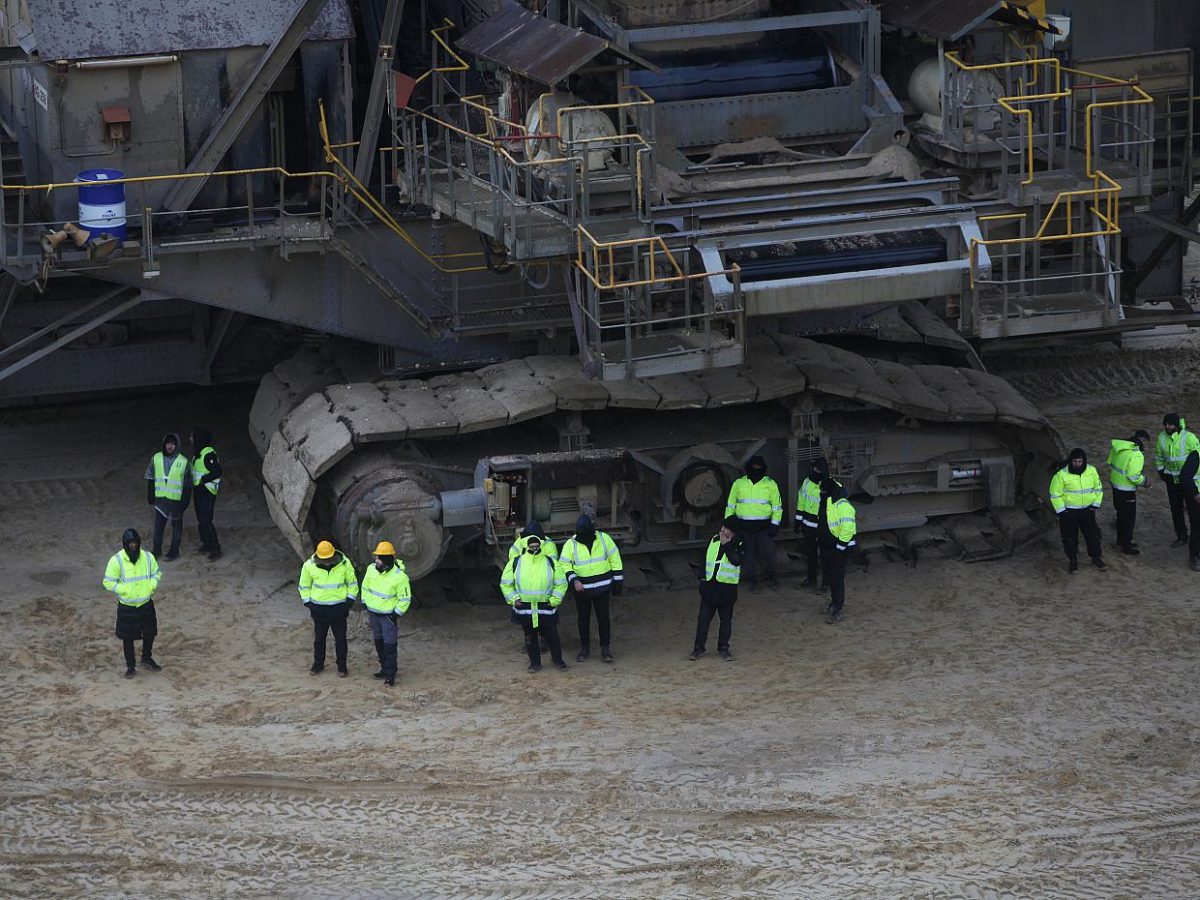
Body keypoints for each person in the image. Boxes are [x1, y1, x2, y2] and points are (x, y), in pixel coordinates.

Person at [500, 534, 568, 673]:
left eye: (537, 546)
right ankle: (534, 663)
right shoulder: (516, 562)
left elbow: (561, 583)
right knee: (530, 637)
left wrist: (554, 600)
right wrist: (514, 599)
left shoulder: (550, 562)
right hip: (525, 609)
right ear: (526, 546)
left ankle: (558, 660)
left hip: (546, 608)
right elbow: (506, 584)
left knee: (552, 636)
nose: (534, 549)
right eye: (532, 547)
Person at [560, 514, 623, 663]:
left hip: (602, 588)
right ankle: (585, 648)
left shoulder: (604, 539)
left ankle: (605, 650)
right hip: (582, 591)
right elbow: (564, 564)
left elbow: (615, 559)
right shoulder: (571, 544)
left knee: (603, 619)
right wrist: (574, 580)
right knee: (583, 619)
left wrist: (618, 581)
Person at [102, 528, 163, 678]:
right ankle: (130, 666)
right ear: (125, 544)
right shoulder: (116, 561)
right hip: (127, 606)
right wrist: (124, 590)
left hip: (145, 603)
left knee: (150, 633)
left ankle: (146, 658)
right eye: (131, 544)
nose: (133, 546)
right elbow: (108, 582)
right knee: (127, 637)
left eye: (135, 543)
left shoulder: (148, 557)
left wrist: (151, 586)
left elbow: (157, 573)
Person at [298, 540, 358, 676]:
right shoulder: (309, 566)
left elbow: (352, 584)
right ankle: (318, 664)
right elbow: (304, 586)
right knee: (319, 639)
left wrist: (348, 602)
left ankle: (342, 667)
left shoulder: (344, 564)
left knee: (341, 639)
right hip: (319, 610)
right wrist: (309, 604)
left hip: (339, 609)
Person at [723, 455, 783, 591]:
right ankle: (753, 581)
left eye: (759, 469)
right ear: (748, 469)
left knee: (768, 555)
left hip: (764, 528)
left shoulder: (770, 484)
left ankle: (772, 577)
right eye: (753, 468)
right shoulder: (739, 484)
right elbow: (730, 505)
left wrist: (775, 525)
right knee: (747, 557)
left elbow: (777, 507)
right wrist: (729, 523)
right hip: (743, 528)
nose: (756, 471)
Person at [690, 517, 744, 661]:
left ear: (733, 532)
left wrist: (727, 545)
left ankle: (724, 648)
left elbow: (736, 560)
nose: (722, 530)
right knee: (703, 620)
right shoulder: (713, 540)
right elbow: (705, 560)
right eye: (722, 527)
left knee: (725, 621)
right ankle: (698, 648)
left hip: (727, 590)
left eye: (726, 529)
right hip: (710, 588)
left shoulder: (739, 543)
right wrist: (702, 580)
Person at [360, 540, 411, 687]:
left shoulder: (400, 577)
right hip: (373, 614)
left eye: (379, 558)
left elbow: (405, 599)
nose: (376, 560)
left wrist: (395, 614)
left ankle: (390, 675)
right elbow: (365, 587)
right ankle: (384, 668)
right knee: (379, 643)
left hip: (387, 617)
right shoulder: (371, 569)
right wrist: (365, 602)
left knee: (389, 646)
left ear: (387, 559)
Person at [1049, 448, 1107, 573]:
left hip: (1087, 510)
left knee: (1093, 535)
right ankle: (1073, 560)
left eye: (1080, 461)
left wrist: (1095, 505)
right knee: (1070, 537)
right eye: (1075, 461)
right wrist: (1062, 511)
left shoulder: (1092, 471)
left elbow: (1098, 489)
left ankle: (1096, 557)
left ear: (1084, 461)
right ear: (1071, 461)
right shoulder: (1061, 475)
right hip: (1069, 512)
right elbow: (1055, 494)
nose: (1077, 464)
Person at [1154, 413, 1200, 547]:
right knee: (1176, 510)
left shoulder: (1189, 438)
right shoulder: (1161, 438)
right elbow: (1158, 456)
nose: (1168, 427)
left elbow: (1197, 457)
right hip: (1172, 481)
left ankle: (1195, 539)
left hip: (1189, 483)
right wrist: (1162, 472)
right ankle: (1181, 536)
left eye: (1171, 424)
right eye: (1166, 424)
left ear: (1177, 425)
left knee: (1194, 513)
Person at [145, 432, 190, 561]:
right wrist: (150, 495)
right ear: (164, 444)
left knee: (176, 528)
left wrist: (185, 501)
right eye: (168, 443)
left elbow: (188, 484)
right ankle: (156, 551)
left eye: (173, 444)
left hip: (176, 501)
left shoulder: (184, 461)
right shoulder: (156, 458)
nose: (170, 446)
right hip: (161, 499)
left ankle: (174, 551)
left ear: (177, 445)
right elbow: (150, 476)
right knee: (158, 527)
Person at [1106, 430, 1151, 555]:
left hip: (1115, 487)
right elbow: (1133, 476)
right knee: (1129, 519)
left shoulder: (1119, 447)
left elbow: (1110, 463)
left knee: (1121, 516)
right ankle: (1126, 545)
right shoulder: (1136, 454)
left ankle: (1120, 542)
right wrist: (1145, 481)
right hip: (1126, 491)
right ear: (1141, 440)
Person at [819, 479, 857, 624]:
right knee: (831, 576)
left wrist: (839, 548)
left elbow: (847, 529)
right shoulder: (829, 502)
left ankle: (837, 607)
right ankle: (834, 603)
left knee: (837, 578)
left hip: (839, 549)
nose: (821, 493)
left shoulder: (842, 506)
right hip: (830, 547)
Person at [793, 457, 828, 589]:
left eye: (818, 469)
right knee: (811, 556)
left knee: (825, 557)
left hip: (823, 528)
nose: (815, 471)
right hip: (809, 527)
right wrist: (798, 520)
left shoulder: (829, 486)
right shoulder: (807, 482)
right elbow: (801, 502)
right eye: (814, 469)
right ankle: (811, 579)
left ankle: (826, 583)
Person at [189, 426, 223, 561]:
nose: (190, 439)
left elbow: (217, 471)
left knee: (206, 520)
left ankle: (215, 548)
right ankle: (206, 544)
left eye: (192, 436)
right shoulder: (198, 453)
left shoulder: (208, 453)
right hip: (199, 491)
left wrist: (203, 480)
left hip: (207, 492)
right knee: (201, 520)